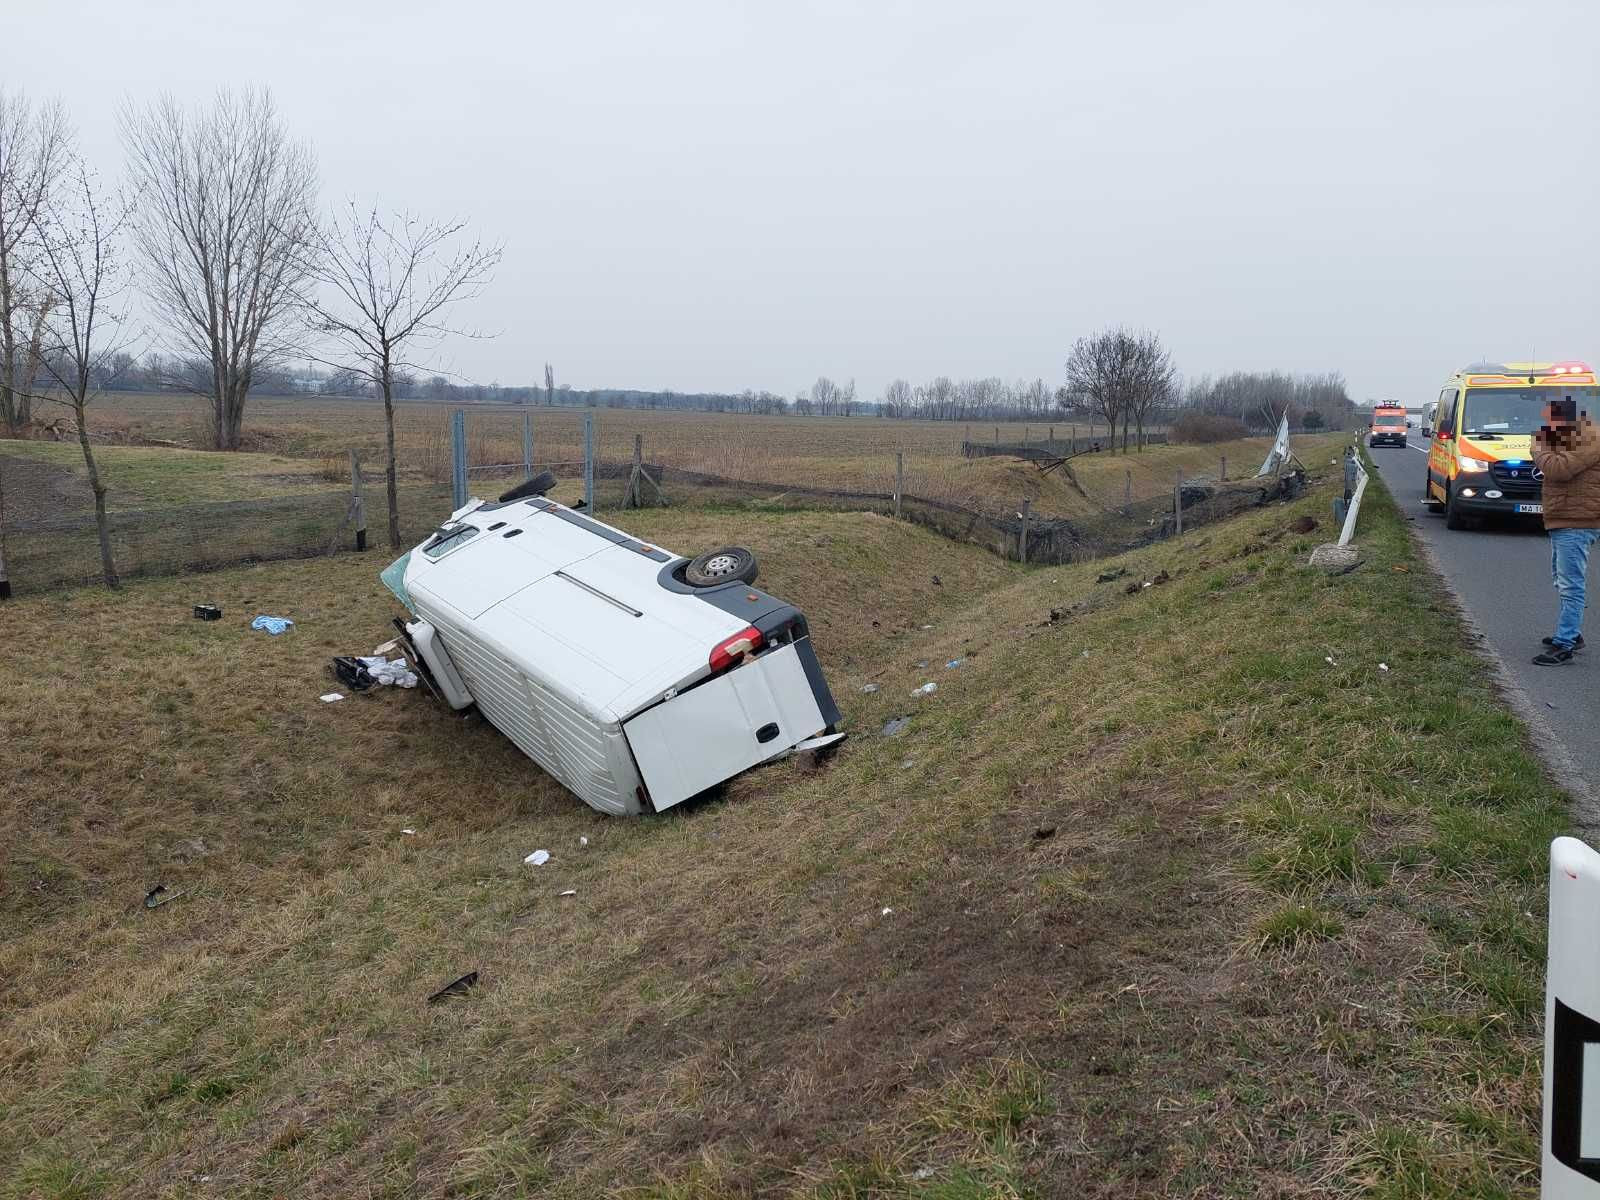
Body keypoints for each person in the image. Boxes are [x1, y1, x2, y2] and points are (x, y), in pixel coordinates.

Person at [1532, 397, 1600, 665]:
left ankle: (1565, 644)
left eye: (1548, 421)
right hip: (1565, 519)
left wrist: (1538, 447)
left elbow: (1558, 469)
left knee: (1571, 584)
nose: (1545, 426)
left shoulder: (1590, 439)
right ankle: (1572, 632)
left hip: (1577, 521)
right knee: (1562, 580)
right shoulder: (1573, 437)